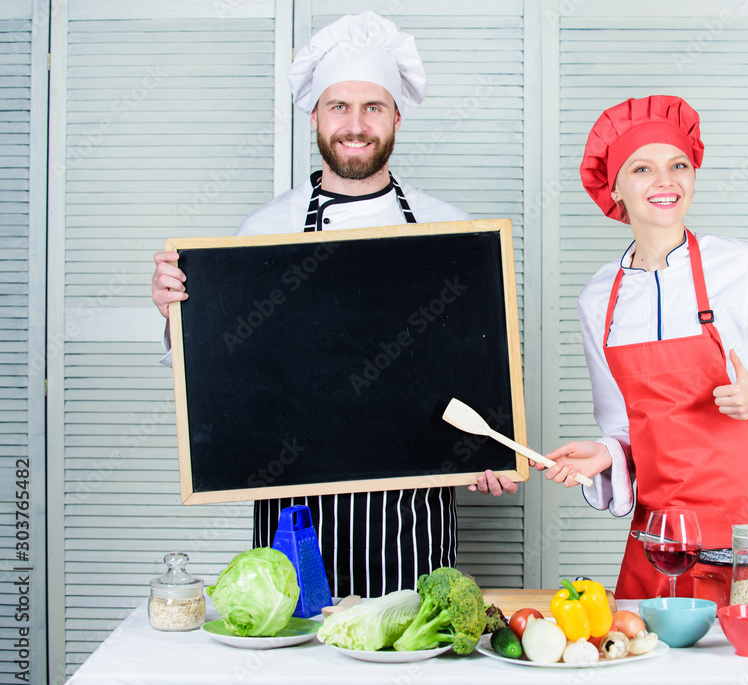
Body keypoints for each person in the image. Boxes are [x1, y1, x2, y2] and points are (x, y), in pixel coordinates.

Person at [150, 11, 512, 598]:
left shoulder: (454, 231)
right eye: (339, 106)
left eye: (373, 107)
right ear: (315, 115)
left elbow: (481, 371)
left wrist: (490, 450)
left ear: (397, 116)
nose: (356, 125)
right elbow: (221, 374)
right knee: (292, 639)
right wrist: (177, 315)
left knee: (408, 642)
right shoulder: (262, 231)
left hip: (412, 512)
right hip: (292, 507)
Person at [533, 95, 748, 599]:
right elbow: (625, 427)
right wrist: (604, 453)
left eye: (678, 165)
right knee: (648, 650)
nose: (666, 181)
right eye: (642, 168)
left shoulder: (742, 266)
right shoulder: (599, 299)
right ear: (614, 187)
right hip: (663, 540)